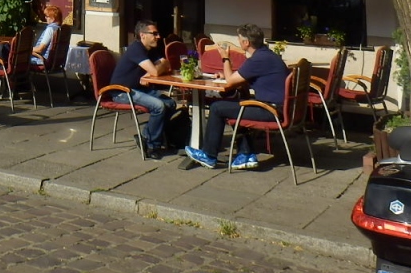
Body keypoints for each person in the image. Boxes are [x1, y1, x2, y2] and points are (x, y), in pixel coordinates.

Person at [186, 23, 290, 170]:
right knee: (237, 105)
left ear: (246, 42)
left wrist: (225, 58)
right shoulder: (267, 56)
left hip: (271, 111)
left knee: (217, 108)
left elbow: (230, 82)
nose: (239, 42)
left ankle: (209, 155)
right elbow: (240, 77)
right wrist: (226, 75)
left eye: (240, 39)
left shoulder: (258, 60)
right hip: (279, 108)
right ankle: (246, 154)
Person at [108, 20, 177, 160]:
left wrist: (157, 68)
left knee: (170, 103)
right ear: (142, 35)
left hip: (138, 89)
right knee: (159, 106)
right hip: (122, 92)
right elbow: (156, 71)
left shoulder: (151, 49)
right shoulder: (136, 49)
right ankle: (152, 146)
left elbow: (166, 64)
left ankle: (145, 136)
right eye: (154, 34)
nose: (158, 37)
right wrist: (156, 68)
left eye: (158, 33)